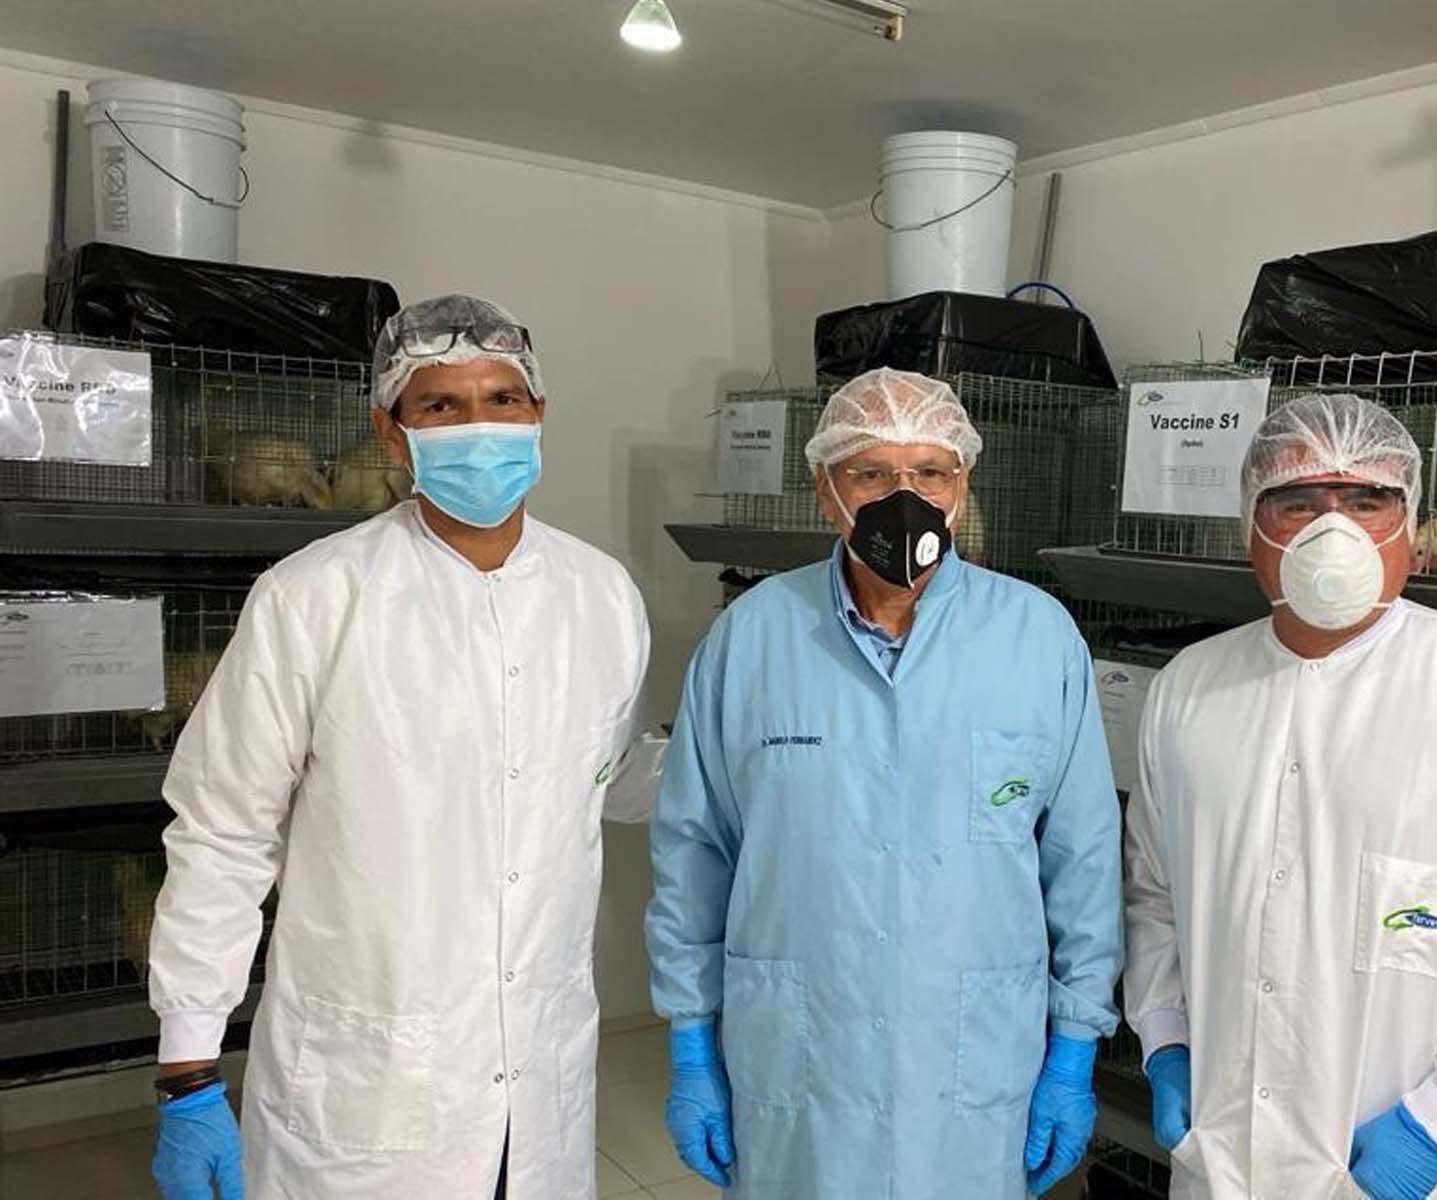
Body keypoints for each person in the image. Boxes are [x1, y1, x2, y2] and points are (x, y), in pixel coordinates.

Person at [147, 294, 661, 1200]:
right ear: (393, 435)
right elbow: (223, 830)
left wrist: (743, 760)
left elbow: (603, 774)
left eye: (502, 399)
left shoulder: (602, 595)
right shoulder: (313, 596)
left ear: (538, 414)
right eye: (441, 405)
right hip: (367, 1086)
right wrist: (189, 1069)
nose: (478, 427)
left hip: (537, 1080)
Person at [644, 367, 1123, 1199]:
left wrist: (1075, 1046)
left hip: (973, 1060)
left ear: (962, 487)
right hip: (800, 1061)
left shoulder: (1037, 637)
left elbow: (1082, 856)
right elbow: (694, 848)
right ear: (826, 491)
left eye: (930, 471)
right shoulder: (752, 638)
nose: (905, 497)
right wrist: (691, 1038)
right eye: (871, 473)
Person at [1123, 393, 1437, 1200]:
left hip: (1405, 1165)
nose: (1332, 529)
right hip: (1222, 1159)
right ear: (1251, 527)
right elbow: (1155, 894)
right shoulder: (1188, 689)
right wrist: (1166, 1039)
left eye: (1365, 501)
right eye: (1298, 502)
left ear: (1408, 528)